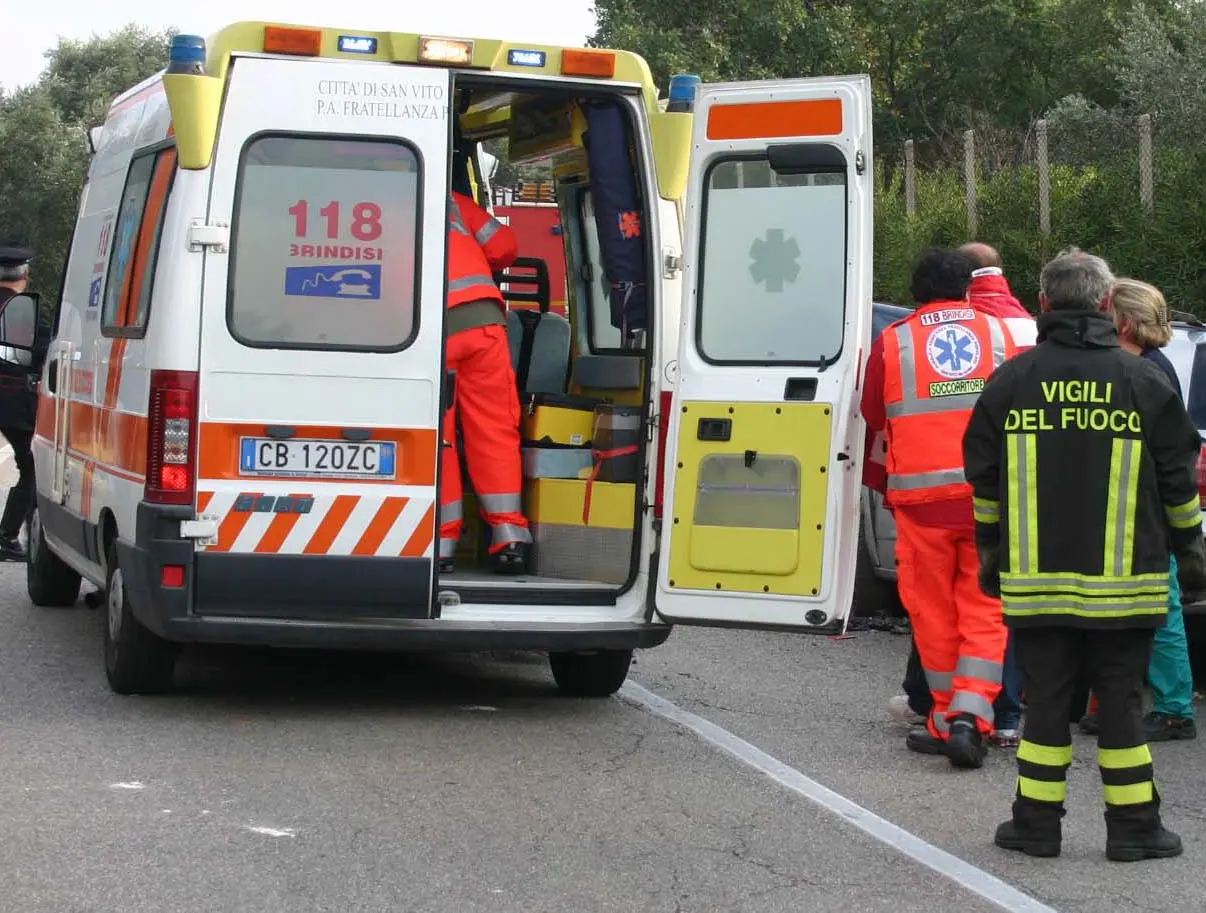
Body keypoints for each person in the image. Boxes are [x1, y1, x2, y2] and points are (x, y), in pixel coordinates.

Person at [964, 247, 1206, 862]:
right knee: (1122, 706)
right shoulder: (1144, 381)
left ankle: (1035, 826)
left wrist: (991, 554)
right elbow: (1181, 485)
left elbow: (984, 481)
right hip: (1127, 587)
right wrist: (1193, 556)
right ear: (1106, 305)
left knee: (1045, 703)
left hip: (1037, 585)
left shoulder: (1011, 381)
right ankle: (1134, 830)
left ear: (1044, 303)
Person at [861, 248, 1023, 769]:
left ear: (914, 291)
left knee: (930, 610)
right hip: (987, 498)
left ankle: (943, 714)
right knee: (984, 607)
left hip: (921, 502)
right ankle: (971, 721)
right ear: (968, 287)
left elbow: (871, 414)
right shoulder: (999, 335)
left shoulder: (894, 341)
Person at [1077, 278, 1196, 742]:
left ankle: (1174, 709)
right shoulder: (1145, 366)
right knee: (1114, 611)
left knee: (1160, 613)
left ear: (1124, 322)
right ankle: (1110, 699)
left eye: (1106, 312)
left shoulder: (1148, 372)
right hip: (1121, 512)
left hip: (1142, 515)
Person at [439, 192, 532, 575]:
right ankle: (509, 534)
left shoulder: (366, 200)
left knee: (437, 437)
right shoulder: (454, 201)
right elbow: (504, 246)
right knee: (493, 429)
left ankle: (441, 541)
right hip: (483, 322)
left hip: (427, 331)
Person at [0, 242, 40, 562]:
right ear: (24, 275)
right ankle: (7, 537)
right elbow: (44, 354)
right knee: (32, 467)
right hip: (14, 403)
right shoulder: (23, 311)